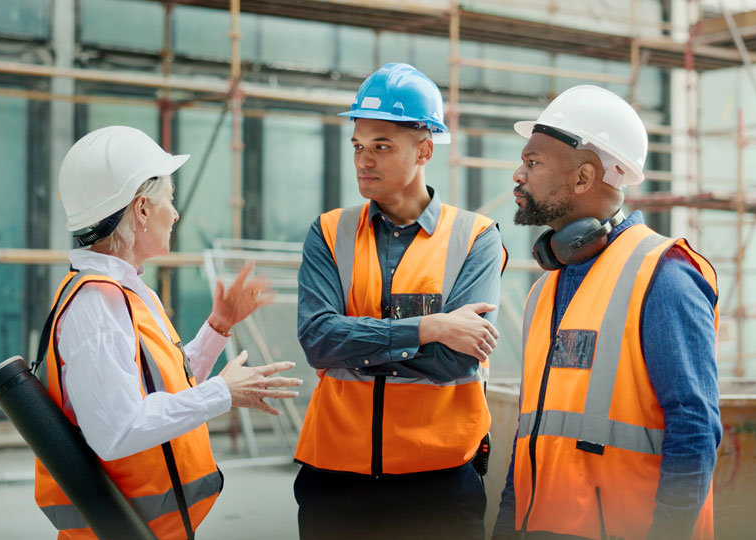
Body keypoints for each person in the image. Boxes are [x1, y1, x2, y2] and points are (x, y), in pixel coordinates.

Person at [33, 125, 302, 540]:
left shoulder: (127, 293)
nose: (174, 215)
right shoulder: (96, 307)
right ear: (141, 210)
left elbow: (166, 384)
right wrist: (222, 393)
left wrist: (220, 326)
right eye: (169, 202)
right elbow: (119, 431)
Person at [491, 85, 720, 540]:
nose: (518, 174)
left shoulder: (663, 276)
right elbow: (532, 431)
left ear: (583, 177)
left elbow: (693, 431)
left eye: (533, 162)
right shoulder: (546, 289)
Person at [293, 63, 508, 540]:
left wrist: (358, 343)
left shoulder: (475, 238)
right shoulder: (329, 232)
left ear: (425, 149)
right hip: (334, 480)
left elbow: (455, 361)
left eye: (382, 146)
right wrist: (428, 329)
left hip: (438, 484)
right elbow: (318, 341)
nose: (363, 161)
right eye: (358, 147)